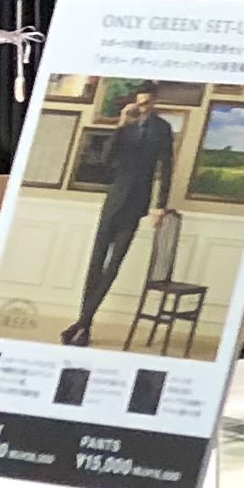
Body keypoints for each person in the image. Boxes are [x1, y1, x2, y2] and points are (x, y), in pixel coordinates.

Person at [59, 89, 178, 347]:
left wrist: (160, 205)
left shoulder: (162, 128)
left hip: (137, 203)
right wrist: (121, 124)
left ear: (154, 101)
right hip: (113, 201)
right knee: (95, 264)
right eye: (139, 102)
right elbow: (105, 161)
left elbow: (167, 167)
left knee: (113, 266)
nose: (142, 106)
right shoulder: (126, 128)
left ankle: (81, 325)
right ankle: (84, 327)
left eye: (147, 102)